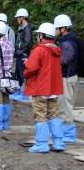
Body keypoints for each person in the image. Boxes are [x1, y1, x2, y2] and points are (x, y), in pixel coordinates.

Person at [24, 22, 65, 153]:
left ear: (42, 36)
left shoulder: (39, 50)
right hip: (53, 88)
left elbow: (31, 68)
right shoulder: (57, 50)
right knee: (54, 115)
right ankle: (59, 142)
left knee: (40, 115)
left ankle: (42, 143)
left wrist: (25, 70)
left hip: (40, 88)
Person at [55, 14, 78, 143]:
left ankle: (69, 133)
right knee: (64, 104)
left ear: (63, 28)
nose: (55, 31)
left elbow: (63, 61)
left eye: (57, 28)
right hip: (70, 77)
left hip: (67, 78)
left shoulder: (67, 43)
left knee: (66, 105)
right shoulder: (70, 40)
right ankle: (66, 131)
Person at [12, 8, 34, 102]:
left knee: (23, 74)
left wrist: (18, 52)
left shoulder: (27, 30)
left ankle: (25, 93)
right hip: (19, 55)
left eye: (18, 18)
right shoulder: (22, 29)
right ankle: (20, 91)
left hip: (24, 55)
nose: (17, 20)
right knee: (18, 73)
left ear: (22, 18)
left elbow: (27, 44)